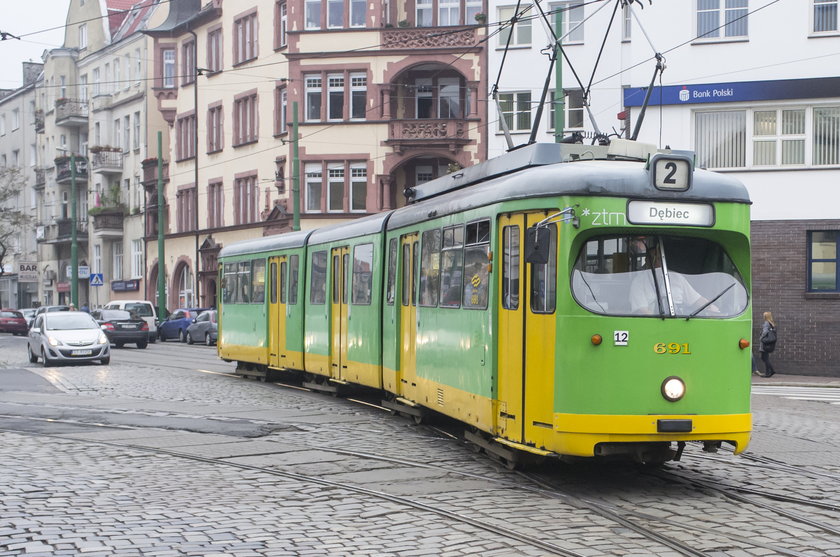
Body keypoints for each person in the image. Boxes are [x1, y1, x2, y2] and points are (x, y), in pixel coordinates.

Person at [758, 311, 777, 377]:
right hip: (768, 343)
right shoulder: (771, 323)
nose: (763, 317)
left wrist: (761, 338)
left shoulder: (766, 323)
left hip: (764, 343)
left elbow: (765, 332)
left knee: (764, 358)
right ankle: (768, 373)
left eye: (764, 316)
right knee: (765, 358)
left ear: (765, 317)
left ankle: (771, 371)